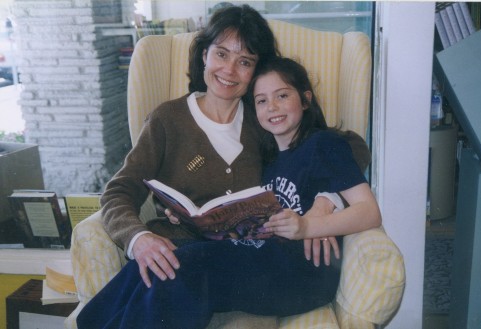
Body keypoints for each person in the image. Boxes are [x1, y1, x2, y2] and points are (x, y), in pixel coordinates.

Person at [77, 5, 346, 329]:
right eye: (221, 54)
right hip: (184, 259)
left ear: (255, 71)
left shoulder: (263, 117)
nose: (230, 70)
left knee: (166, 276)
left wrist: (326, 201)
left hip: (249, 267)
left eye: (244, 61)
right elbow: (119, 190)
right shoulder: (168, 120)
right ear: (204, 54)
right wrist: (138, 238)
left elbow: (343, 144)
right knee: (158, 268)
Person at [248, 56, 381, 245]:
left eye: (282, 96)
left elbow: (370, 212)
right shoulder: (267, 159)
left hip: (300, 261)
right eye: (261, 100)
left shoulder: (323, 144)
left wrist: (307, 227)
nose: (272, 107)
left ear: (305, 100)